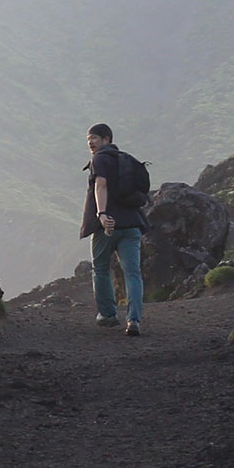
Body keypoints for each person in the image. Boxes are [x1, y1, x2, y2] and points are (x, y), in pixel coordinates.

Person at [81, 123, 147, 337]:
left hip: (108, 225)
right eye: (88, 139)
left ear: (106, 139)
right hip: (132, 224)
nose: (91, 142)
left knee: (100, 269)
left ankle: (108, 315)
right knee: (133, 273)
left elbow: (101, 185)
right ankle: (134, 319)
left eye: (95, 138)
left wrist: (101, 214)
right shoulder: (126, 159)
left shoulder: (100, 159)